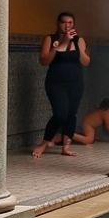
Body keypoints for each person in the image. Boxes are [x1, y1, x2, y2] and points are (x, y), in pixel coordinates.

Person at [33, 11, 90, 158]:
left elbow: (86, 62)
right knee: (60, 114)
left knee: (71, 114)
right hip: (56, 83)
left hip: (76, 83)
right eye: (64, 22)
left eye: (70, 23)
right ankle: (43, 143)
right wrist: (62, 44)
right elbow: (44, 61)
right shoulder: (50, 39)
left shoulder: (79, 40)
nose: (67, 25)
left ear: (73, 24)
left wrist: (77, 47)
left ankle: (66, 147)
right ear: (58, 24)